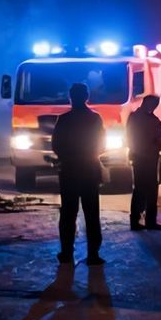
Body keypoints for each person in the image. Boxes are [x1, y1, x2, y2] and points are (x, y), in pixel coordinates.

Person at [51, 83, 106, 266]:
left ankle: (66, 253)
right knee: (91, 214)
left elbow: (56, 145)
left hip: (69, 171)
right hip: (90, 169)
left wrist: (66, 157)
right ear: (87, 96)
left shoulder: (63, 119)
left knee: (68, 213)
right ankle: (93, 255)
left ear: (70, 97)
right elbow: (102, 146)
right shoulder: (95, 119)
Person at [127, 94, 161, 231]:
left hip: (138, 158)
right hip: (149, 159)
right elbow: (160, 140)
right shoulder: (153, 120)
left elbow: (130, 138)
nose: (155, 107)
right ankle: (150, 221)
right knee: (150, 190)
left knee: (139, 189)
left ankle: (135, 221)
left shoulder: (133, 117)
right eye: (154, 104)